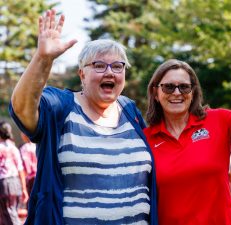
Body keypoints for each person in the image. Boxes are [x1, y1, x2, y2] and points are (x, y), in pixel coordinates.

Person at [9, 9, 158, 225]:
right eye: (99, 65)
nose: (110, 72)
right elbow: (22, 108)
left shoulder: (130, 110)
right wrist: (43, 59)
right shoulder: (61, 105)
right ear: (82, 74)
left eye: (118, 66)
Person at [144, 32, 231, 224]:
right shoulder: (145, 139)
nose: (177, 93)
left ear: (193, 91)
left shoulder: (217, 120)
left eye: (184, 87)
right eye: (169, 87)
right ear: (155, 93)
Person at [0, 121, 28, 225]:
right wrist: (24, 189)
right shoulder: (14, 148)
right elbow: (20, 169)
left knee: (8, 216)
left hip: (4, 184)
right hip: (16, 183)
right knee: (11, 213)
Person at [19, 132, 37, 197]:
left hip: (30, 178)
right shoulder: (36, 146)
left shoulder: (24, 148)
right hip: (39, 176)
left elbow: (26, 165)